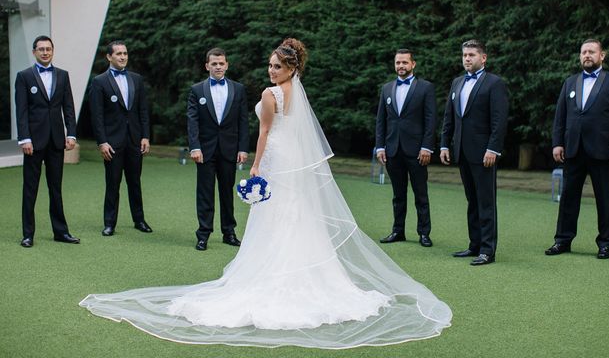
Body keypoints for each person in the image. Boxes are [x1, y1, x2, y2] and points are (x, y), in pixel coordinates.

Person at [79, 38, 452, 348]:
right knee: (294, 214)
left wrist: (256, 166)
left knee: (279, 215)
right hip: (293, 160)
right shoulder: (296, 93)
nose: (272, 71)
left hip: (275, 159)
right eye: (271, 65)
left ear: (291, 69)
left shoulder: (271, 94)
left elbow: (265, 133)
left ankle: (275, 275)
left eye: (278, 66)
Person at [545, 39, 609, 259]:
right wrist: (557, 143)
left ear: (602, 55)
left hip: (603, 151)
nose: (587, 55)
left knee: (605, 198)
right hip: (573, 150)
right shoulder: (570, 82)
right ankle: (562, 240)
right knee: (568, 198)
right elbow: (560, 117)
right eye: (583, 52)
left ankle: (605, 243)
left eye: (592, 51)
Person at [440, 40, 508, 266]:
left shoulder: (494, 83)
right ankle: (474, 245)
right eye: (464, 55)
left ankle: (488, 250)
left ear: (483, 58)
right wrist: (443, 144)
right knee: (472, 200)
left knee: (486, 201)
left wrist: (493, 149)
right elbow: (449, 117)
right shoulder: (457, 82)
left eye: (471, 55)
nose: (467, 59)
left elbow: (499, 121)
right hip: (461, 151)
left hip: (484, 153)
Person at [15, 35, 80, 247]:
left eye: (48, 49)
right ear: (34, 52)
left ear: (53, 51)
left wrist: (71, 134)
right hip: (33, 142)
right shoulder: (24, 76)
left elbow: (68, 107)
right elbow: (21, 111)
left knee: (56, 188)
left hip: (56, 142)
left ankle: (60, 232)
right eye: (41, 49)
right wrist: (24, 138)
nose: (45, 52)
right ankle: (28, 235)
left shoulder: (62, 75)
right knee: (30, 189)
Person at [187, 48, 249, 250]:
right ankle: (203, 234)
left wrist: (243, 148)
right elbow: (192, 121)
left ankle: (229, 232)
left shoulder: (238, 89)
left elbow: (243, 121)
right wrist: (194, 146)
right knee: (204, 192)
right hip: (204, 150)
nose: (218, 67)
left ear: (227, 65)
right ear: (207, 66)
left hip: (229, 149)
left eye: (221, 63)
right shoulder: (197, 90)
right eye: (214, 63)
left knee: (226, 192)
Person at [375, 49, 437, 247]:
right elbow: (381, 121)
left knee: (421, 194)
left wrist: (427, 147)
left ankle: (424, 233)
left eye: (404, 62)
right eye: (398, 63)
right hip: (393, 150)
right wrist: (380, 147)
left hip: (418, 151)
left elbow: (430, 120)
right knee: (398, 195)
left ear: (413, 64)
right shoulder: (386, 88)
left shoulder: (425, 88)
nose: (401, 66)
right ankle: (398, 231)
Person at [90, 41, 152, 236]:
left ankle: (139, 220)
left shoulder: (136, 79)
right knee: (113, 183)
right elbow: (97, 115)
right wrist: (102, 141)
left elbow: (143, 110)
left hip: (135, 139)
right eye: (118, 54)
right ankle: (110, 223)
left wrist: (145, 136)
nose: (123, 57)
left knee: (135, 182)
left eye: (125, 53)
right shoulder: (99, 81)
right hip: (112, 142)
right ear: (109, 57)